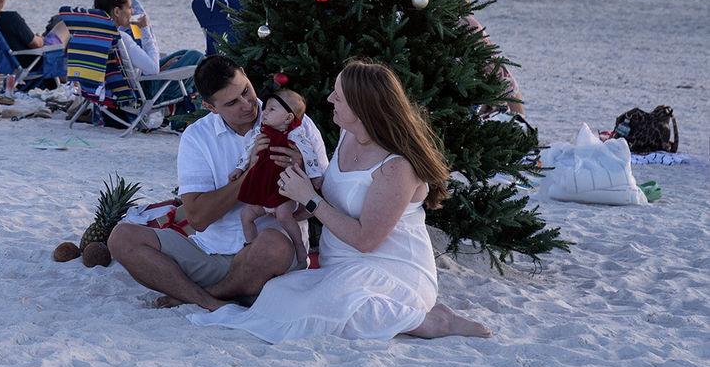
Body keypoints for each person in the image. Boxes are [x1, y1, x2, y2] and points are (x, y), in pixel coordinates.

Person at [188, 59, 493, 340]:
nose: (330, 100)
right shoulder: (349, 135)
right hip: (340, 269)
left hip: (390, 271)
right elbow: (333, 202)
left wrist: (309, 198)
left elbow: (365, 240)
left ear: (362, 109)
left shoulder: (397, 166)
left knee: (329, 312)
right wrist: (292, 202)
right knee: (279, 293)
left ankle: (436, 322)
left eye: (339, 97)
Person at [108, 56, 329, 310]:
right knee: (121, 238)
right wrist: (251, 173)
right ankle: (216, 298)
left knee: (272, 243)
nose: (247, 105)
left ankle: (204, 296)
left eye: (246, 90)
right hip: (210, 256)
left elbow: (321, 199)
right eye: (232, 103)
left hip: (271, 260)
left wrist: (299, 169)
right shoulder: (197, 136)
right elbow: (198, 218)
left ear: (245, 74)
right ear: (211, 107)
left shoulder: (297, 126)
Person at [234, 89, 323, 267]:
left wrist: (315, 176)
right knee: (246, 215)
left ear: (289, 118)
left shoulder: (295, 135)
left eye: (272, 110)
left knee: (284, 216)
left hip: (283, 189)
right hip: (262, 189)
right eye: (265, 109)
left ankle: (298, 245)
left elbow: (310, 154)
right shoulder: (262, 134)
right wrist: (239, 167)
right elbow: (249, 149)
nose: (264, 112)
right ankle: (251, 246)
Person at [463, 0, 524, 116]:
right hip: (472, 83)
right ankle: (522, 123)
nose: (469, 3)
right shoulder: (468, 22)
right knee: (506, 78)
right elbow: (488, 57)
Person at [93, 0, 159, 77]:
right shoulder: (121, 39)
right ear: (117, 12)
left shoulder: (95, 35)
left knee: (181, 55)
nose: (132, 12)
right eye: (129, 7)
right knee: (189, 56)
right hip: (137, 88)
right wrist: (145, 30)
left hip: (105, 89)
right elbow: (153, 69)